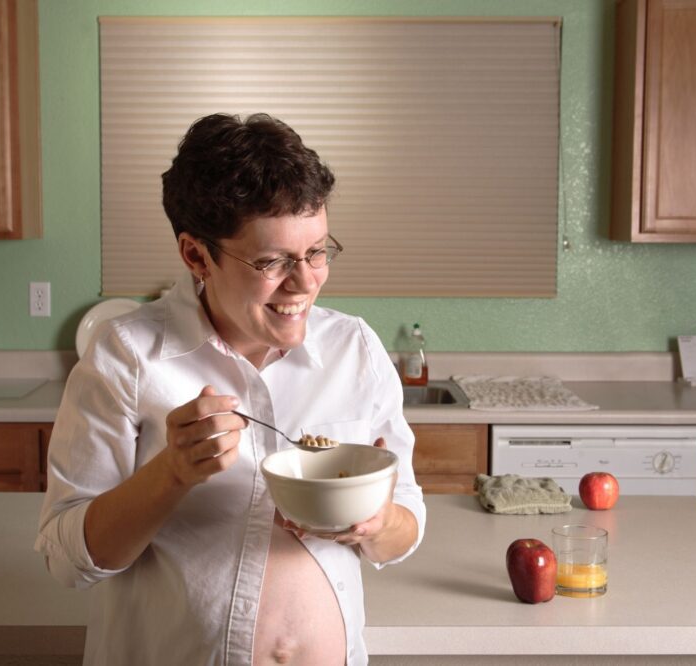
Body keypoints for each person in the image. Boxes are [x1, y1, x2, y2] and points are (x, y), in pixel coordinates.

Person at [36, 112, 426, 666]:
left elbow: (404, 526)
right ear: (196, 255)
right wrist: (170, 472)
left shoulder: (353, 349)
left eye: (317, 251)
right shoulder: (125, 356)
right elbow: (68, 559)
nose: (306, 281)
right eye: (272, 261)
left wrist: (376, 521)